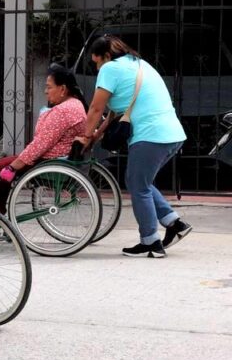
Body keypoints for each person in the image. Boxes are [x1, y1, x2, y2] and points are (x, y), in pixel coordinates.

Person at [77, 34, 189, 258]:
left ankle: (151, 243)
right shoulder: (138, 64)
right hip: (172, 134)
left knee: (139, 185)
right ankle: (174, 223)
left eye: (96, 62)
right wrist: (95, 136)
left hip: (150, 135)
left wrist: (85, 137)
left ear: (106, 56)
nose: (96, 68)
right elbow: (114, 112)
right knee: (140, 181)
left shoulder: (110, 69)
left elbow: (96, 109)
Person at [0, 63, 88, 212]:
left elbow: (40, 145)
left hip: (51, 162)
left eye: (49, 87)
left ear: (62, 89)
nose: (45, 91)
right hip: (62, 158)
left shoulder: (63, 111)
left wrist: (13, 166)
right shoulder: (76, 104)